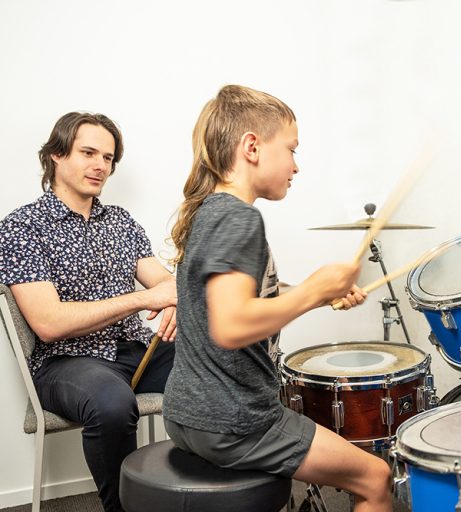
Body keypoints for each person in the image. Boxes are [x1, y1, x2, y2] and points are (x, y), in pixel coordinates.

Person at [164, 85, 392, 511]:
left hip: (186, 414)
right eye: (291, 149)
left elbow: (231, 299)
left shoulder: (208, 211)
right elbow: (230, 325)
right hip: (234, 422)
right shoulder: (239, 218)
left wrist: (322, 296)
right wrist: (313, 291)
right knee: (375, 477)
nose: (296, 166)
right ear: (252, 147)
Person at [0, 112, 178, 512]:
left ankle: (206, 490)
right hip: (66, 362)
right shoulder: (22, 227)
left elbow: (166, 285)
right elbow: (48, 323)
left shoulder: (120, 222)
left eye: (109, 158)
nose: (101, 165)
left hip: (135, 351)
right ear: (57, 155)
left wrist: (176, 300)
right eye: (88, 152)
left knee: (220, 363)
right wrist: (139, 300)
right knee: (112, 404)